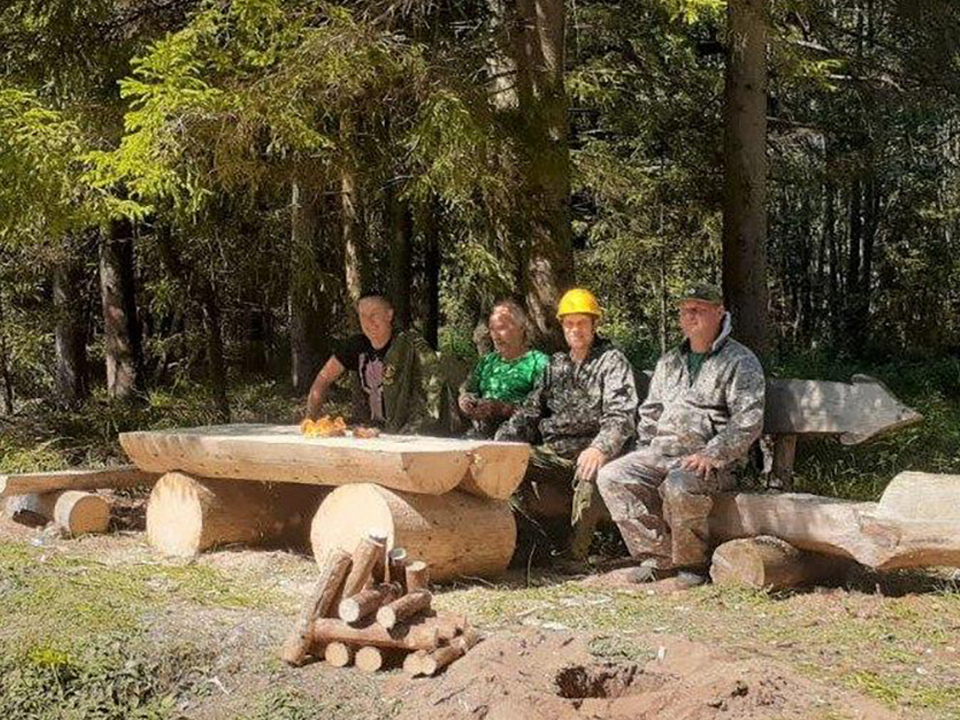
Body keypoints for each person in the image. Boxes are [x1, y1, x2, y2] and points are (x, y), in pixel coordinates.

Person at [595, 283, 765, 577]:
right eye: (685, 310)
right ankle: (656, 557)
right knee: (612, 475)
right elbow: (651, 412)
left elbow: (748, 420)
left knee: (679, 483)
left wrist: (713, 454)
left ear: (719, 312)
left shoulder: (740, 361)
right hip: (663, 452)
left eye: (698, 309)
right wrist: (646, 449)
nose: (690, 315)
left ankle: (691, 563)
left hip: (714, 461)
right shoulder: (670, 361)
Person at [495, 288, 638, 559]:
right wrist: (499, 443)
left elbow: (621, 416)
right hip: (554, 451)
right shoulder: (556, 365)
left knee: (589, 472)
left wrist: (601, 448)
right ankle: (531, 545)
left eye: (582, 323)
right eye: (569, 323)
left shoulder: (611, 362)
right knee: (506, 466)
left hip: (591, 450)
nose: (575, 330)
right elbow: (530, 411)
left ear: (595, 324)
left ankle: (575, 557)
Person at [304, 293, 447, 434]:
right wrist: (310, 422)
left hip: (410, 433)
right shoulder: (356, 346)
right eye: (363, 316)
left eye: (374, 314)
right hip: (373, 432)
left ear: (389, 315)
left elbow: (432, 388)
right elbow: (323, 379)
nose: (368, 322)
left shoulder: (409, 346)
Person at [459, 300, 549, 438]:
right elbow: (469, 391)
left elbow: (546, 409)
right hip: (482, 430)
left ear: (521, 328)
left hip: (519, 433)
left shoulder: (538, 362)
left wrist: (504, 409)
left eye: (501, 328)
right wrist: (466, 401)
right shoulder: (487, 362)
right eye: (492, 329)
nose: (495, 335)